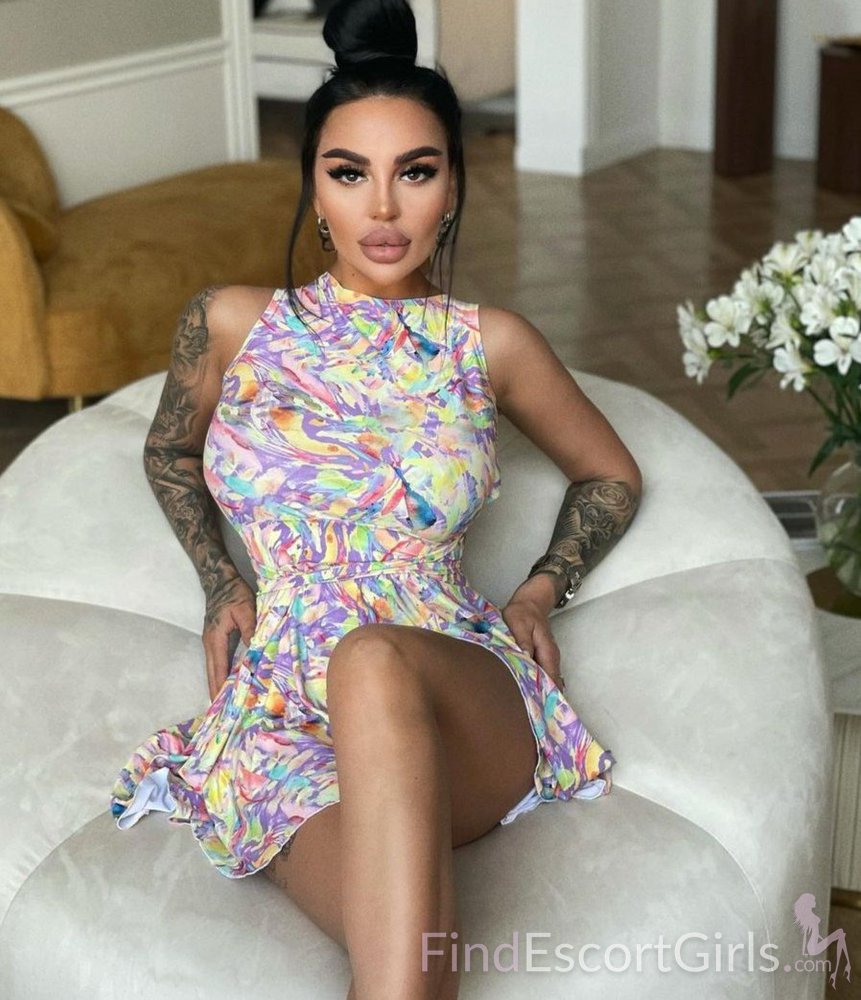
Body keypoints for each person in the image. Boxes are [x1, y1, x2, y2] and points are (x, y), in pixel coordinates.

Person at [108, 0, 642, 996]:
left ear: (454, 187)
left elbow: (610, 472)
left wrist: (540, 591)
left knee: (371, 657)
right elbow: (169, 451)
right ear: (314, 190)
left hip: (453, 695)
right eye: (350, 173)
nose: (384, 209)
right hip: (279, 717)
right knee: (398, 967)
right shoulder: (229, 324)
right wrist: (222, 581)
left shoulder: (489, 343)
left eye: (416, 171)